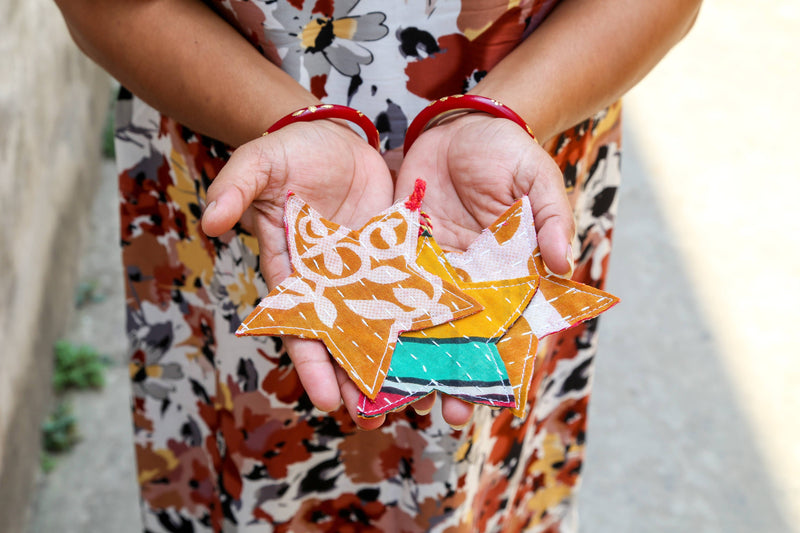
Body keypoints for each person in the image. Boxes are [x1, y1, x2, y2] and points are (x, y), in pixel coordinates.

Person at [55, 1, 701, 531]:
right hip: (247, 180)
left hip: (509, 192)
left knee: (481, 489)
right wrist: (283, 119)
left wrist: (505, 113)